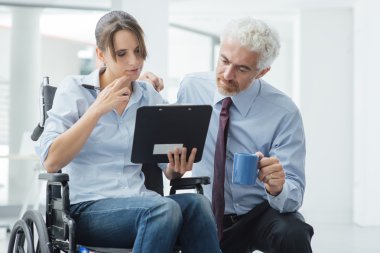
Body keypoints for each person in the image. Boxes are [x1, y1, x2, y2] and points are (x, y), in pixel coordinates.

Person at [36, 10, 220, 253]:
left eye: (138, 51)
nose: (134, 62)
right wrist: (97, 109)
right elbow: (51, 161)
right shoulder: (75, 90)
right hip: (88, 208)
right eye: (122, 54)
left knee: (197, 204)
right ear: (101, 54)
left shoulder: (148, 96)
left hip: (142, 202)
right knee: (164, 210)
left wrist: (175, 168)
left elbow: (167, 170)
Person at [141, 17, 314, 253]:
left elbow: (294, 194)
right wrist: (142, 86)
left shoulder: (284, 112)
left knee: (292, 232)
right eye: (224, 61)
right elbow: (165, 136)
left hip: (258, 212)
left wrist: (277, 187)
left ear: (262, 71)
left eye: (242, 68)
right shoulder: (193, 87)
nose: (227, 74)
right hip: (206, 212)